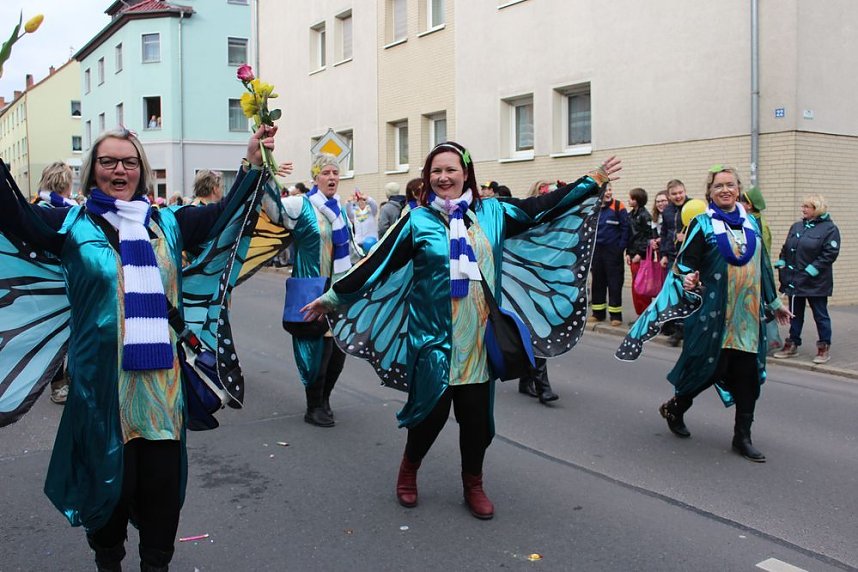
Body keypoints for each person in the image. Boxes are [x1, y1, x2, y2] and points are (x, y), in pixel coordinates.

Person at [0, 125, 278, 570]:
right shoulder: (69, 226)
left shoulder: (168, 223)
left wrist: (253, 163)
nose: (119, 170)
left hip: (161, 394)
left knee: (162, 500)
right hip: (100, 393)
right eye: (108, 161)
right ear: (92, 170)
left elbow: (227, 215)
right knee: (106, 501)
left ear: (141, 170)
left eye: (129, 162)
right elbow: (12, 214)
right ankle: (108, 561)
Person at [302, 141, 620, 519]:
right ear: (428, 177)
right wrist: (333, 298)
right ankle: (409, 468)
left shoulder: (494, 213)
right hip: (431, 341)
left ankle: (474, 483)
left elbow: (543, 207)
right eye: (436, 171)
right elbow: (378, 263)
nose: (443, 177)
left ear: (465, 173)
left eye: (451, 169)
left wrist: (591, 181)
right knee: (428, 417)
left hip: (478, 342)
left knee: (476, 423)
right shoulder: (417, 221)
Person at [616, 166, 792, 463]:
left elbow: (762, 266)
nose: (725, 190)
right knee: (706, 369)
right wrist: (688, 279)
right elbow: (685, 264)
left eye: (730, 185)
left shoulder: (751, 222)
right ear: (710, 192)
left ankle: (742, 437)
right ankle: (676, 407)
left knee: (747, 376)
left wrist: (774, 304)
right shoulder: (703, 224)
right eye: (718, 186)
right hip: (712, 314)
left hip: (747, 318)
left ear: (738, 189)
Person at [260, 153, 362, 427]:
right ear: (315, 177)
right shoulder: (301, 205)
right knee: (317, 350)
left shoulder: (339, 210)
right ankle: (313, 405)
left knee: (338, 353)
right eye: (326, 173)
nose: (332, 177)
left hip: (338, 291)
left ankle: (324, 399)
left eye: (335, 173)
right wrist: (266, 173)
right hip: (312, 289)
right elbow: (271, 209)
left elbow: (351, 250)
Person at [772, 194, 840, 364]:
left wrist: (810, 271)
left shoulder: (829, 229)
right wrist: (782, 262)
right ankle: (792, 343)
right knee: (795, 314)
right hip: (795, 280)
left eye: (806, 207)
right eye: (803, 206)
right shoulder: (797, 226)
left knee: (820, 315)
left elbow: (829, 254)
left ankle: (824, 346)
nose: (803, 209)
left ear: (817, 209)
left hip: (816, 282)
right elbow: (787, 247)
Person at [33, 161, 76, 404]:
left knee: (70, 329)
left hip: (64, 277)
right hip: (53, 277)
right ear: (66, 184)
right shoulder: (49, 210)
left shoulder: (68, 209)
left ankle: (66, 379)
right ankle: (58, 383)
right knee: (58, 331)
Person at [517, 179, 560, 403]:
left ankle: (526, 380)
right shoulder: (526, 218)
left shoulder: (556, 220)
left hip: (547, 281)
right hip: (526, 281)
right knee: (536, 331)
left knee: (536, 331)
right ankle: (543, 387)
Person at [739, 186, 781, 353]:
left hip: (758, 272)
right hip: (754, 271)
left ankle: (772, 341)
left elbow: (763, 252)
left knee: (763, 305)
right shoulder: (748, 220)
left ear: (749, 205)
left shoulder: (757, 224)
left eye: (742, 201)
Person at [588, 183, 629, 326]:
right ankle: (598, 314)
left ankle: (615, 316)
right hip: (596, 251)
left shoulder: (618, 206)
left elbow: (626, 229)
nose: (608, 193)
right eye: (605, 190)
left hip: (613, 252)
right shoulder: (593, 208)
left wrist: (620, 248)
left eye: (610, 190)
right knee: (597, 283)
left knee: (614, 283)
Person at [659, 179, 690, 345]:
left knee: (688, 294)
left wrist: (687, 236)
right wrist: (663, 254)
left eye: (680, 192)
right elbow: (664, 233)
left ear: (685, 191)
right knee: (674, 293)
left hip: (690, 258)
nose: (678, 196)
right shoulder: (667, 211)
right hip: (672, 258)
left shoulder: (693, 207)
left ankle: (686, 329)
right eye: (674, 194)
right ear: (669, 196)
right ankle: (676, 328)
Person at [626, 187, 653, 317]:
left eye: (631, 198)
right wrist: (627, 253)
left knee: (642, 286)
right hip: (632, 255)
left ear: (637, 200)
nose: (628, 200)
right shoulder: (630, 215)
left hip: (640, 257)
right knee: (635, 286)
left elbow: (648, 237)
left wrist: (640, 254)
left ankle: (645, 315)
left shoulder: (645, 216)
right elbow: (629, 236)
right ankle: (640, 314)